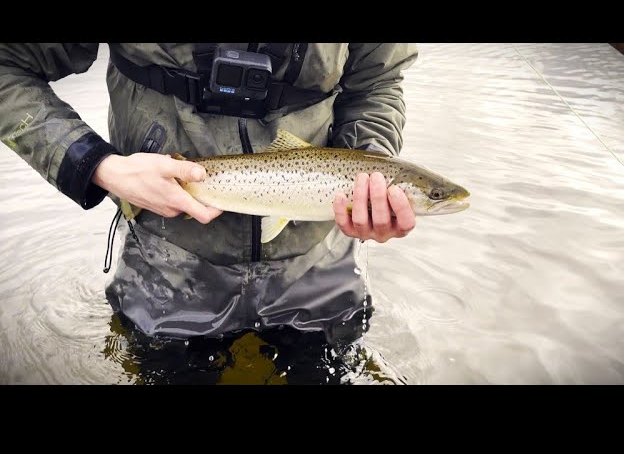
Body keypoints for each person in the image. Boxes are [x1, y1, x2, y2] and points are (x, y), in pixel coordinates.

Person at [0, 43, 419, 348]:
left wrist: (371, 168)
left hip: (319, 266)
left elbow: (379, 81)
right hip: (167, 266)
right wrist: (100, 167)